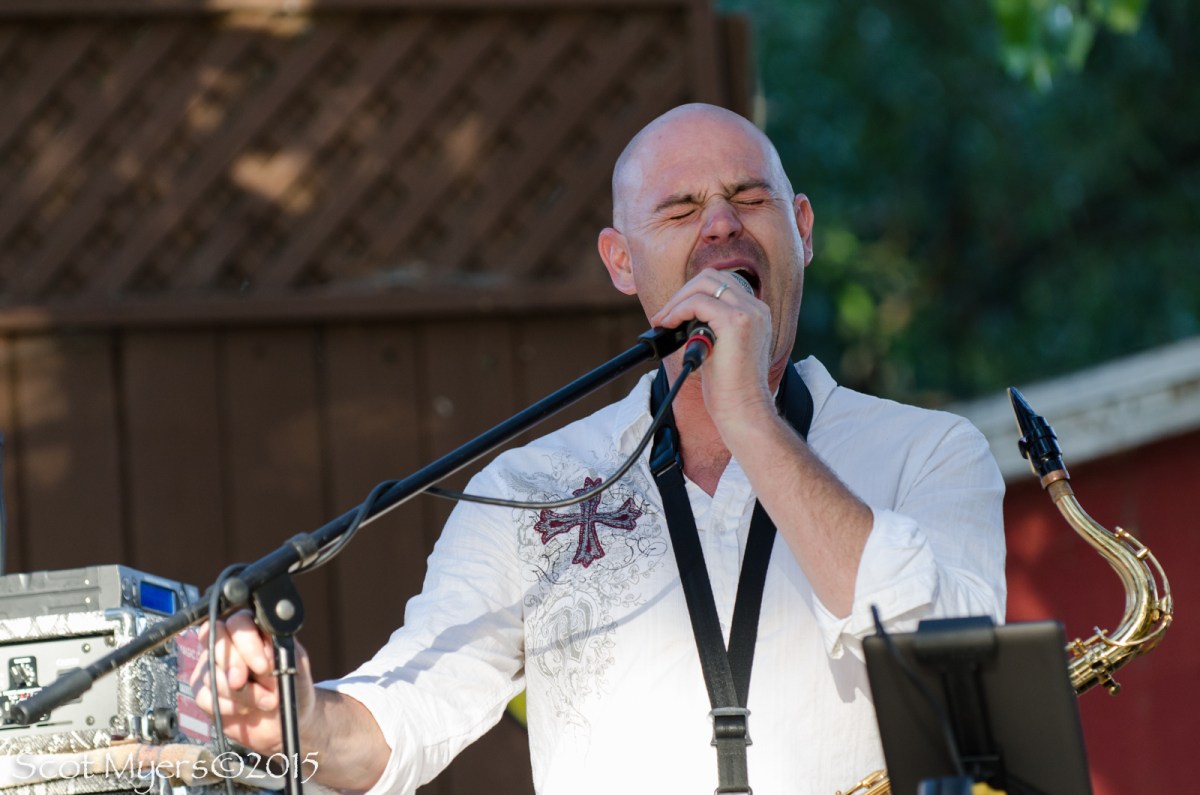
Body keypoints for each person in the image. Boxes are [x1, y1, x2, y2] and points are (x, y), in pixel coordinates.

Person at [194, 103, 1005, 794]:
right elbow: (412, 710)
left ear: (802, 229)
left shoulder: (930, 452)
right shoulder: (531, 483)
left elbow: (953, 658)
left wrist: (751, 418)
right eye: (681, 210)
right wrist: (301, 720)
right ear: (621, 262)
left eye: (750, 198)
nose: (721, 223)